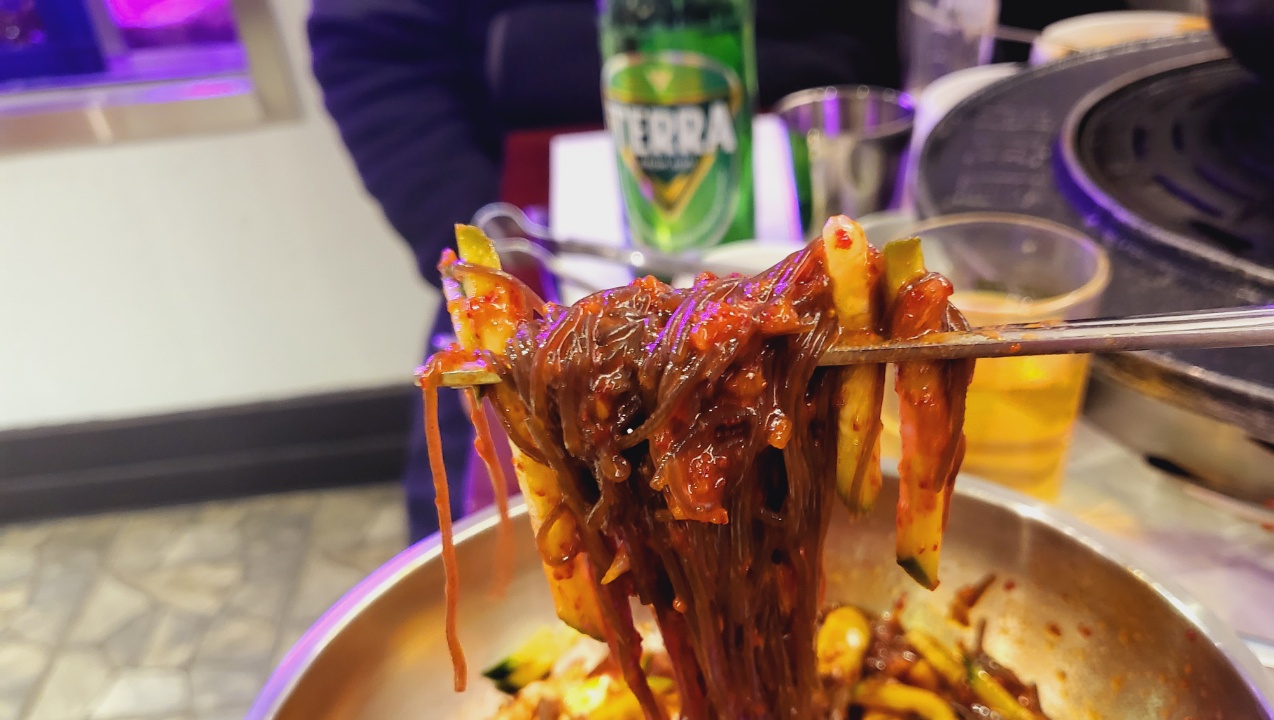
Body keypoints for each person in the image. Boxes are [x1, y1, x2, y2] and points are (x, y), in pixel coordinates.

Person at [308, 0, 902, 542]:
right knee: (478, 491)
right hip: (526, 245)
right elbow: (370, 43)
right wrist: (481, 233)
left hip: (815, 177)